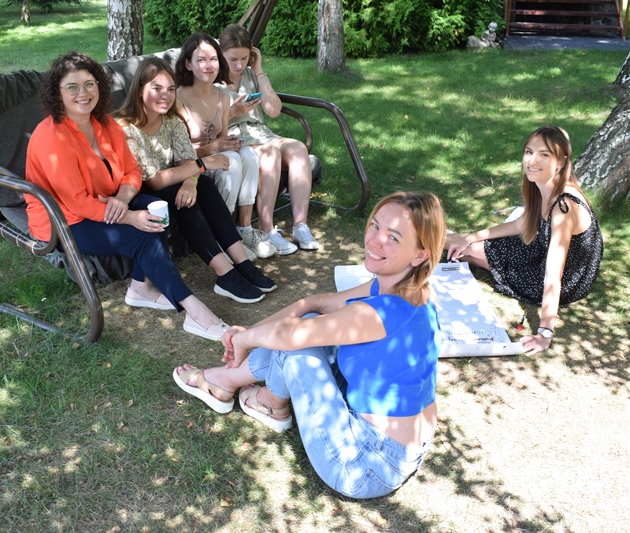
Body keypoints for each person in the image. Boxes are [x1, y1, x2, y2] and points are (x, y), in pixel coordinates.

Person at [173, 191, 446, 499]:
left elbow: (290, 336)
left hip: (365, 465)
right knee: (310, 324)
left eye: (393, 237)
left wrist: (244, 339)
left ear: (420, 254)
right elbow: (316, 303)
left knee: (297, 350)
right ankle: (249, 393)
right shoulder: (408, 288)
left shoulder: (379, 312)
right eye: (375, 225)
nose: (375, 240)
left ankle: (245, 391)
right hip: (399, 446)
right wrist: (249, 331)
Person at [24, 51, 228, 341]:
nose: (83, 93)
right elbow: (76, 202)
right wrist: (130, 217)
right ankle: (195, 311)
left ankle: (140, 288)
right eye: (72, 87)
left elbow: (132, 171)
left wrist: (122, 199)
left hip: (108, 202)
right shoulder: (52, 137)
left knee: (158, 209)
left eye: (89, 84)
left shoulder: (105, 124)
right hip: (64, 220)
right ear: (57, 93)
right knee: (143, 235)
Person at [115, 58, 277, 305]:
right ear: (139, 90)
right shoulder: (126, 129)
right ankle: (226, 274)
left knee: (204, 187)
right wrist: (201, 166)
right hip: (136, 192)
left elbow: (188, 159)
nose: (165, 95)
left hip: (172, 181)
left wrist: (191, 181)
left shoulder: (172, 121)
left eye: (171, 89)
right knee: (179, 198)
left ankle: (243, 264)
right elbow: (154, 181)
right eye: (156, 88)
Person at [446, 126, 603, 355]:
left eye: (544, 154)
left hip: (563, 280)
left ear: (561, 161)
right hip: (541, 252)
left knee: (465, 250)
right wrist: (470, 236)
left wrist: (544, 334)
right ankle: (423, 238)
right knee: (465, 244)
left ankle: (417, 241)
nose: (532, 160)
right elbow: (520, 224)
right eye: (529, 152)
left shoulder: (563, 207)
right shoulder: (547, 184)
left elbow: (553, 275)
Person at [218, 24, 320, 256]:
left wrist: (259, 71)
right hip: (235, 137)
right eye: (233, 59)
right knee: (271, 153)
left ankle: (300, 226)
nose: (239, 65)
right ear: (221, 54)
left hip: (262, 133)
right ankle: (266, 229)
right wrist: (233, 111)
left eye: (244, 58)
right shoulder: (212, 79)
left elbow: (273, 111)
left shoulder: (250, 73)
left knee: (297, 148)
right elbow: (206, 122)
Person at [174, 32, 275, 260]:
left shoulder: (222, 96)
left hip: (215, 157)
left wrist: (229, 144)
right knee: (234, 162)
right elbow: (179, 154)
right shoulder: (178, 99)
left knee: (248, 155)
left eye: (213, 59)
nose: (208, 65)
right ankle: (224, 238)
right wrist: (214, 148)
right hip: (191, 164)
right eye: (201, 60)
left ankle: (244, 229)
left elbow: (221, 138)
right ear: (188, 64)